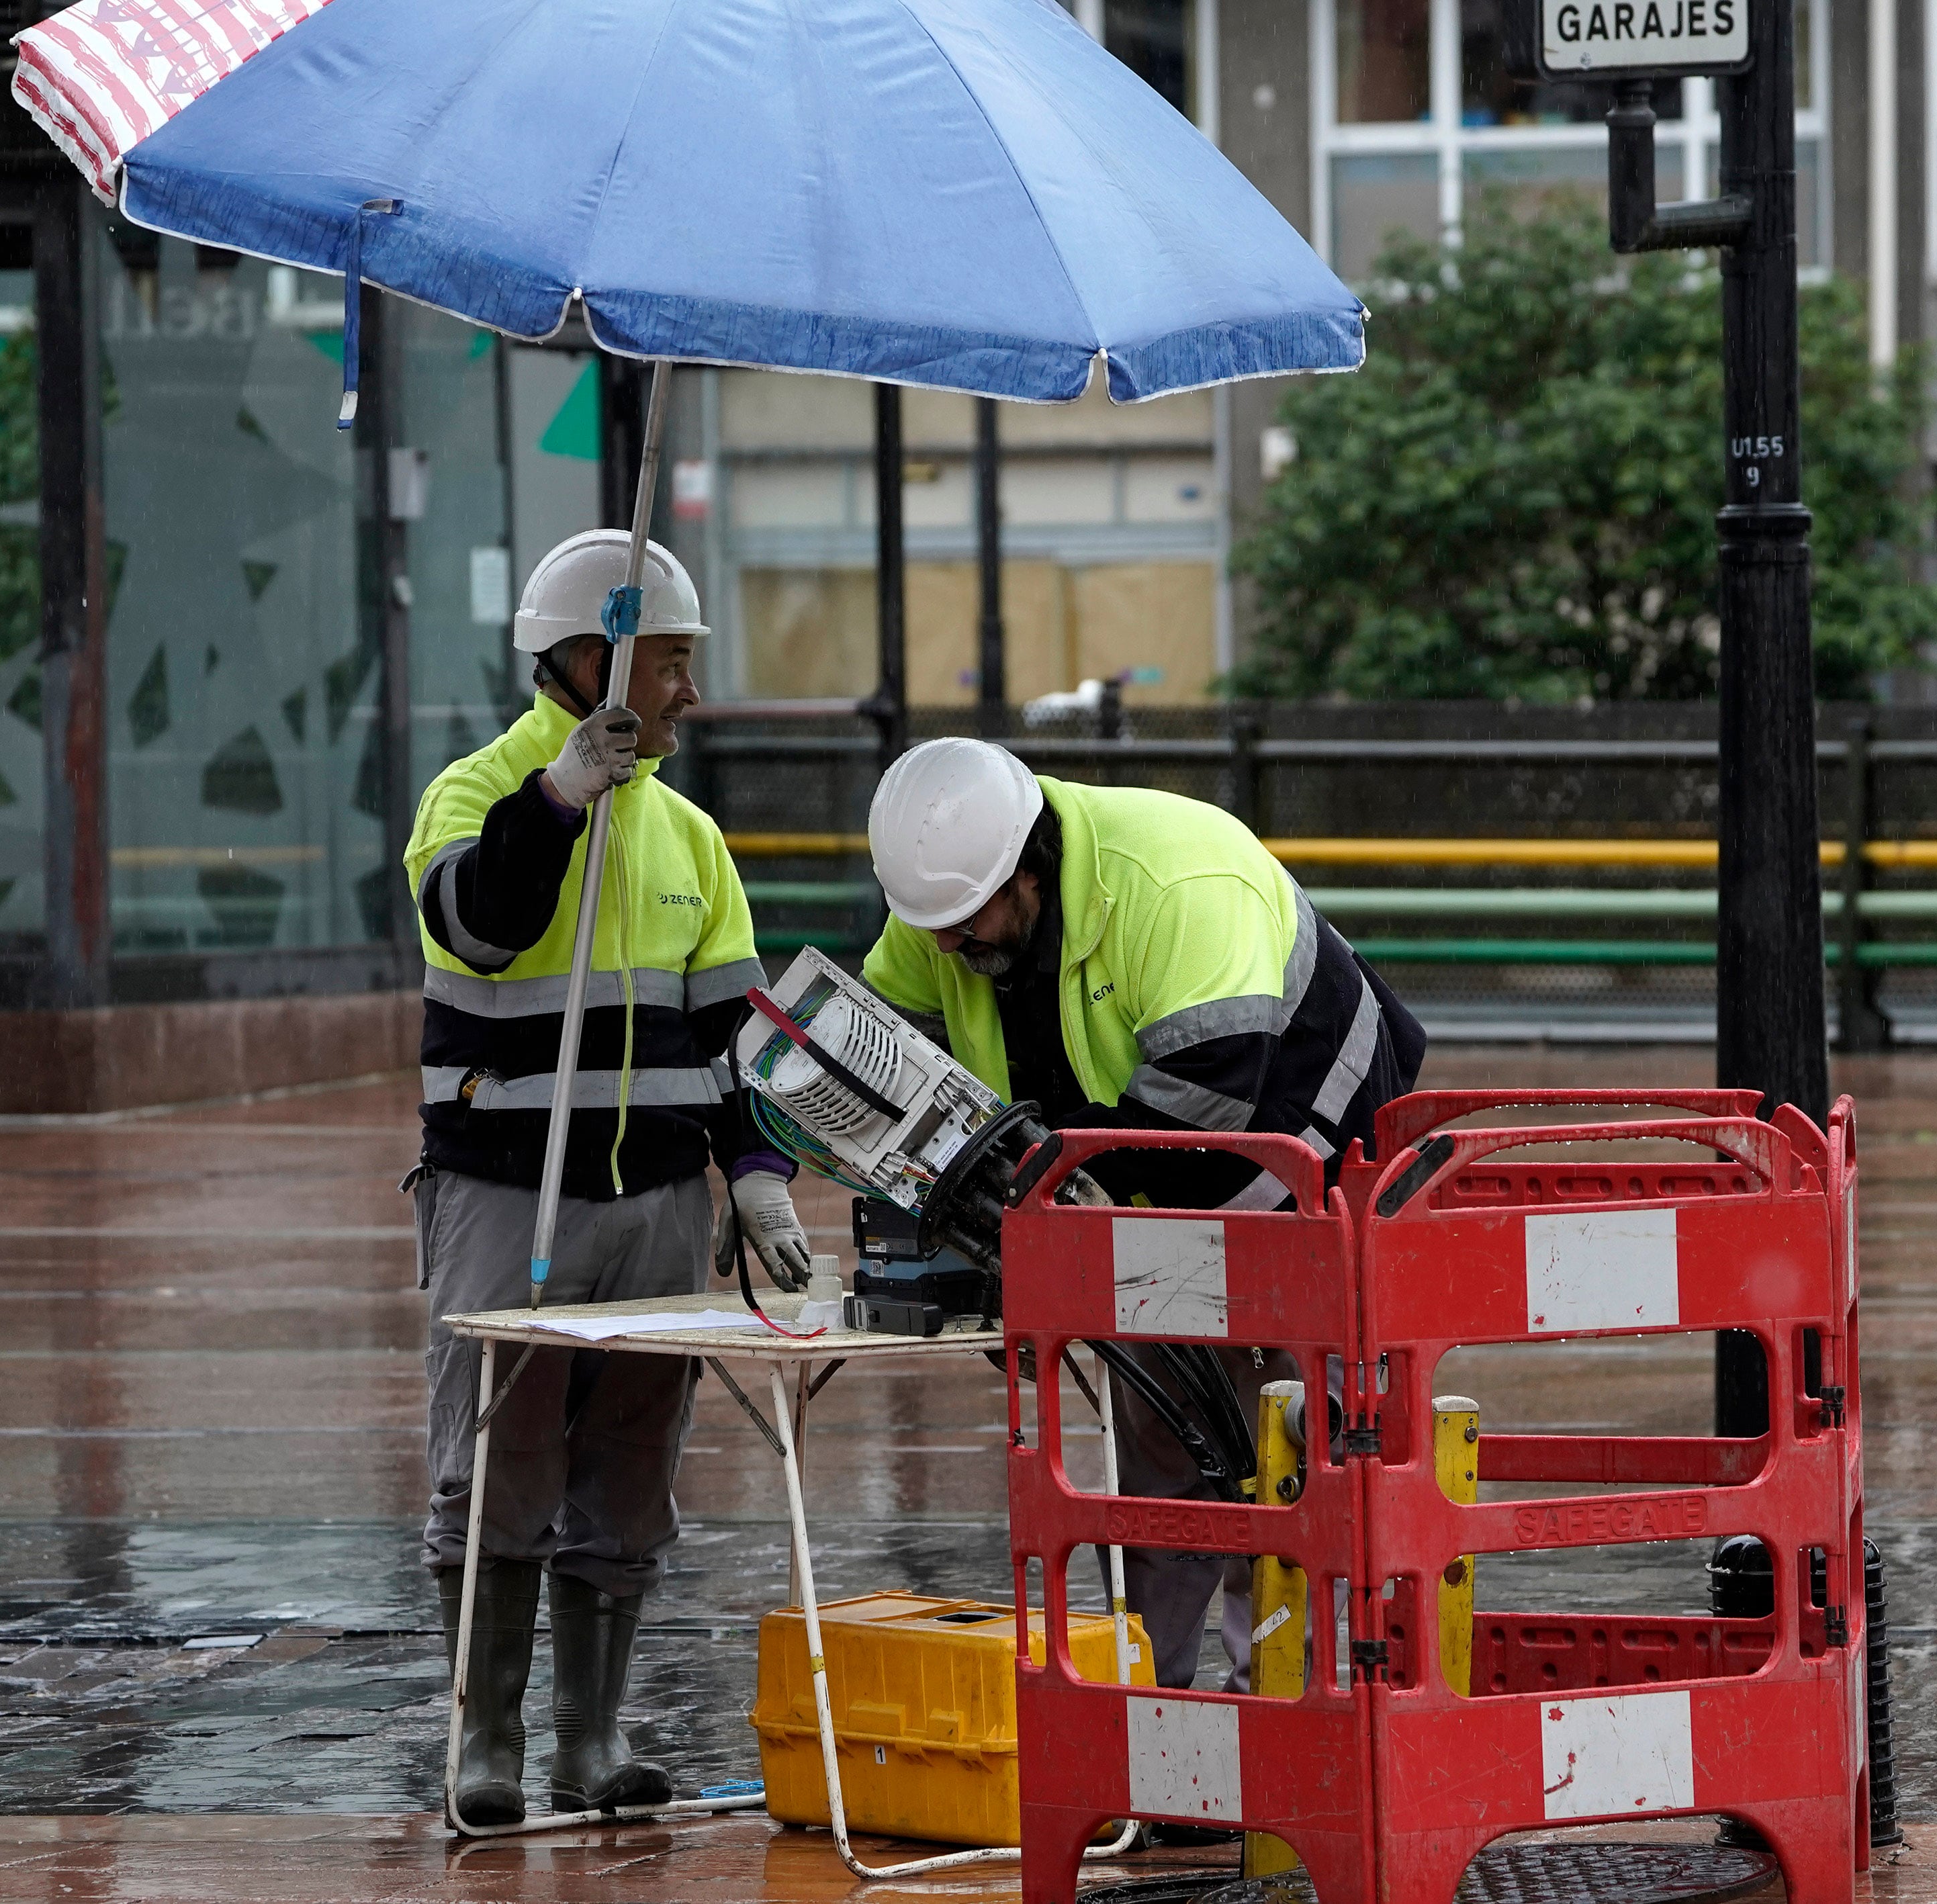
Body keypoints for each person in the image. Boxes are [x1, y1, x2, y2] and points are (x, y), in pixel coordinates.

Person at [859, 737, 1425, 1694]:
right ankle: (1155, 1726)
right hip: (1150, 1196)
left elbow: (1213, 1102)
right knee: (1162, 1467)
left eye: (964, 922)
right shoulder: (956, 904)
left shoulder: (1174, 881)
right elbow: (881, 1036)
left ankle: (1289, 1721)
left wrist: (1049, 1219)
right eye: (935, 927)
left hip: (1314, 1170)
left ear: (1028, 868)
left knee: (1289, 1462)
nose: (948, 946)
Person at [403, 531, 813, 1824]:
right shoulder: (475, 794)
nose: (691, 689)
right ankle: (488, 1748)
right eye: (673, 662)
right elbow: (479, 923)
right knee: (498, 1462)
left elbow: (732, 1036)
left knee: (631, 1468)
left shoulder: (691, 837)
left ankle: (589, 1739)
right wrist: (557, 803)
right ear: (595, 657)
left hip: (655, 1207)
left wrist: (755, 1176)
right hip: (504, 1199)